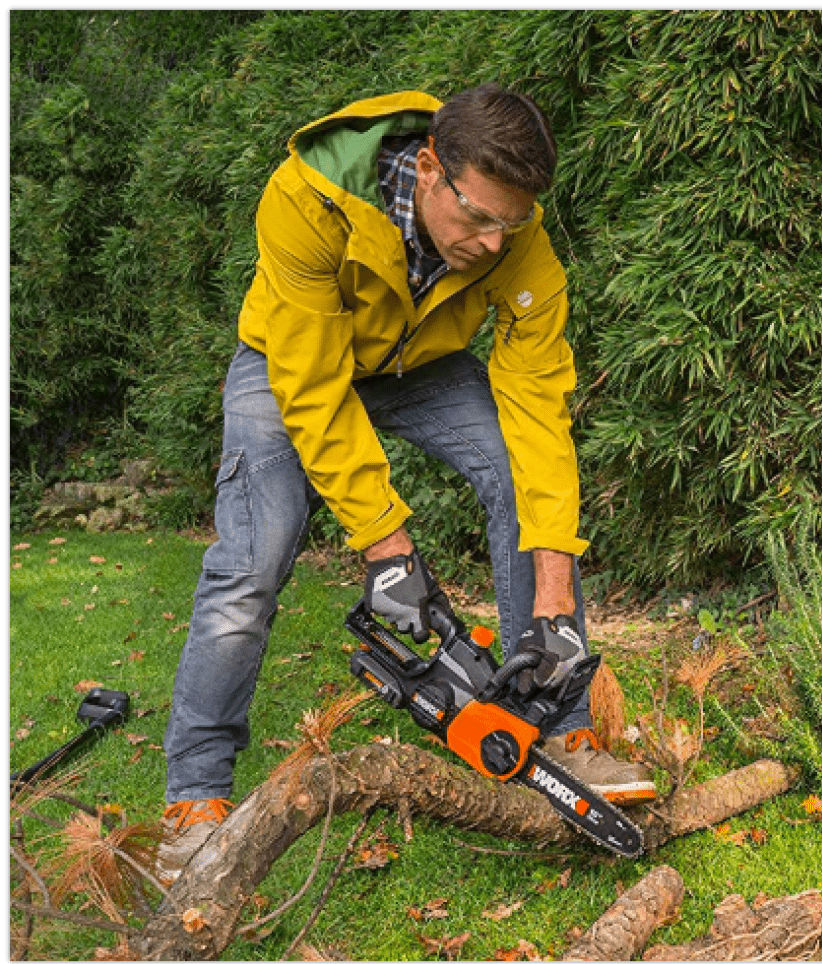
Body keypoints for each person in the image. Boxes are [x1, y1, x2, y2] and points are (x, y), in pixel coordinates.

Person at [157, 84, 655, 882]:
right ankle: (194, 798)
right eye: (480, 219)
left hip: (417, 366)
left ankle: (564, 728)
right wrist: (390, 551)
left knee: (510, 469)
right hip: (288, 365)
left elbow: (538, 408)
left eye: (513, 223)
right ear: (429, 169)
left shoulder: (514, 227)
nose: (495, 243)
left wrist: (555, 595)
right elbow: (316, 390)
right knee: (254, 558)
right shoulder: (307, 200)